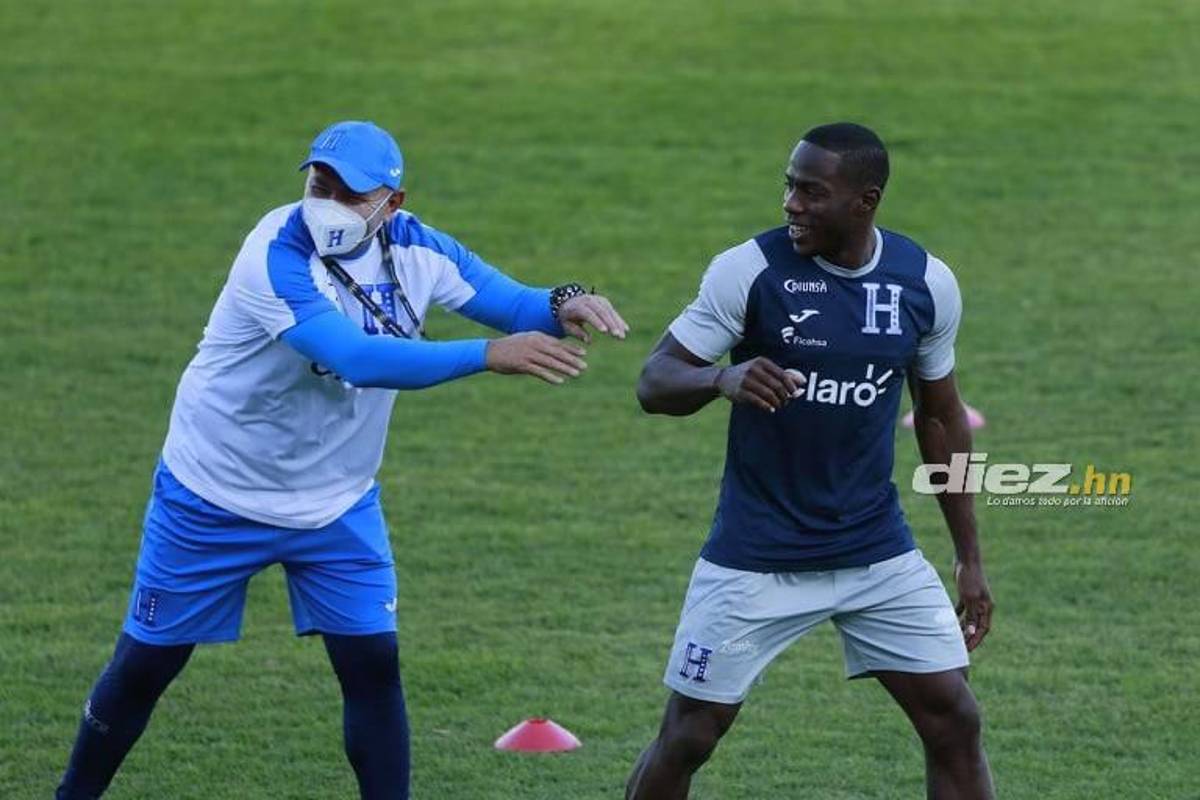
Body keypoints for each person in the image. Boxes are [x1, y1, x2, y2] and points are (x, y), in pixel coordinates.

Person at [56, 120, 629, 800]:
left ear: (393, 201)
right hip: (214, 491)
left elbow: (514, 304)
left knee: (372, 666)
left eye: (349, 193)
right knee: (148, 664)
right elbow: (350, 357)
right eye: (318, 184)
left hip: (335, 501)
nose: (326, 201)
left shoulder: (418, 247)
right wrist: (484, 356)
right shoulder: (272, 252)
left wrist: (566, 301)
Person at [625, 122, 995, 799]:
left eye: (811, 192)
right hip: (756, 555)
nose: (791, 204)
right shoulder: (751, 271)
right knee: (689, 735)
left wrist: (967, 555)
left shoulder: (923, 283)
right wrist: (719, 381)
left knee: (955, 722)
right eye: (789, 186)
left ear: (865, 200)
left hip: (874, 549)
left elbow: (940, 417)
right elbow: (654, 381)